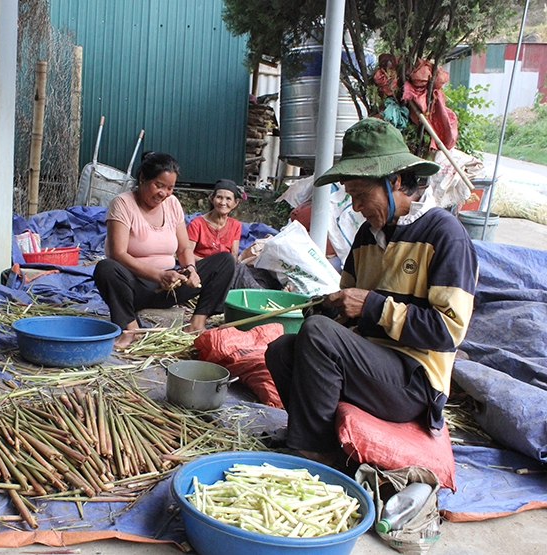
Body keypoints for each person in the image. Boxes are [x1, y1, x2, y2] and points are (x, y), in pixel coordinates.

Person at [264, 118, 478, 466]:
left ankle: (313, 454)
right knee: (282, 349)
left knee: (319, 336)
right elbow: (348, 311)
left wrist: (372, 306)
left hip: (415, 380)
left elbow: (447, 331)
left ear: (394, 181)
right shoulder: (368, 235)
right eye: (353, 198)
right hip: (371, 365)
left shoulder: (445, 235)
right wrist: (327, 308)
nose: (358, 207)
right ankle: (324, 443)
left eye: (362, 196)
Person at [94, 151, 235, 348]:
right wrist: (158, 276)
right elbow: (119, 254)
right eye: (158, 185)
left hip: (171, 286)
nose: (164, 193)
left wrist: (191, 270)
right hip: (135, 288)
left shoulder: (172, 204)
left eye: (169, 188)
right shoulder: (122, 204)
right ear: (143, 178)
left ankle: (197, 323)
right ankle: (130, 328)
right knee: (106, 268)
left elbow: (185, 247)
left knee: (225, 261)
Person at [187, 178, 243, 261]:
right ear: (212, 198)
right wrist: (213, 264)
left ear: (236, 203)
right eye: (219, 197)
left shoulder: (235, 225)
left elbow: (234, 256)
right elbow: (187, 254)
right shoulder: (197, 224)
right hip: (201, 268)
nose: (223, 203)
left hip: (225, 270)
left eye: (228, 199)